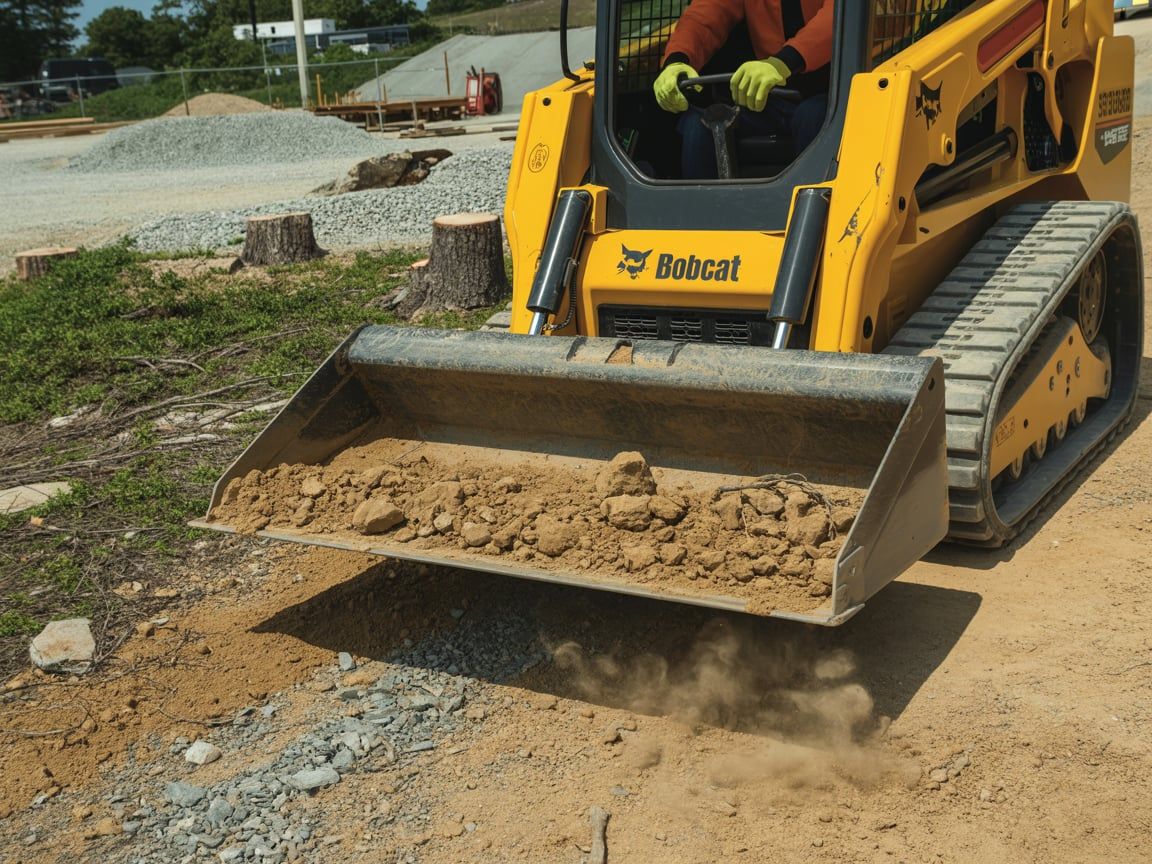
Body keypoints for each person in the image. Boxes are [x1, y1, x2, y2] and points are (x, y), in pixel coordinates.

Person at [653, 0, 834, 179]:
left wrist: (784, 62)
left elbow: (837, 17)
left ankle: (819, 204)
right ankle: (701, 206)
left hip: (834, 94)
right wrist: (677, 60)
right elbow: (705, 14)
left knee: (816, 117)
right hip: (767, 96)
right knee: (700, 125)